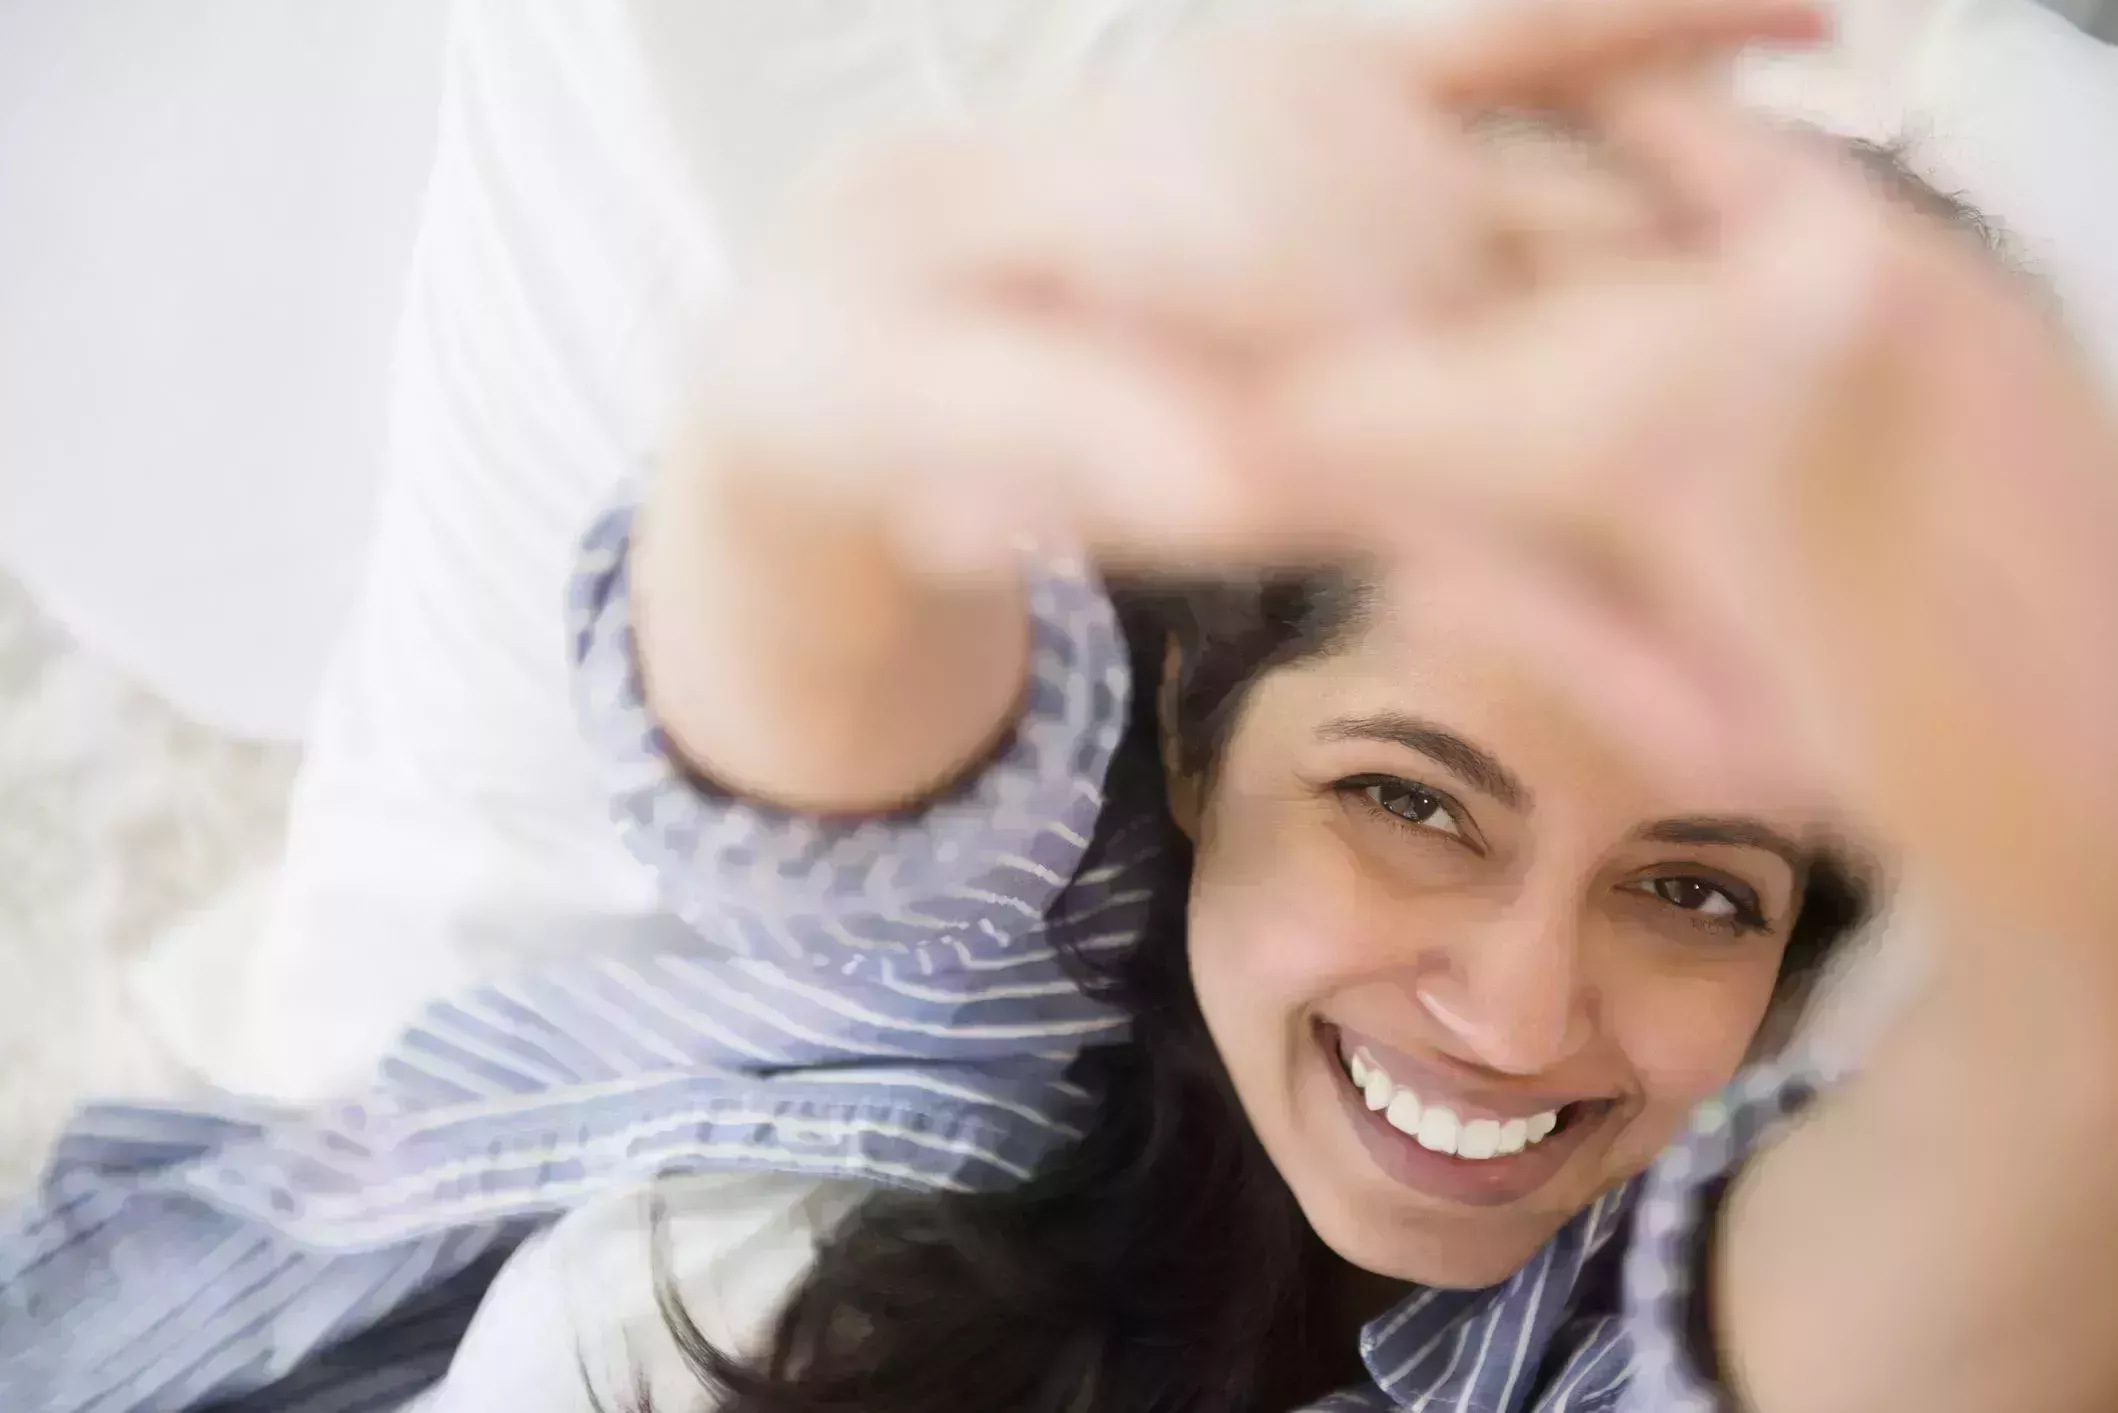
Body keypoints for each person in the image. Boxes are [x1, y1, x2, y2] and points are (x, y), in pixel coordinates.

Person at [7, 3, 2115, 1412]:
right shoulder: (1016, 980)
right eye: (1416, 800)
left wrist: (2058, 887)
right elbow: (818, 679)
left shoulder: (1656, 1294)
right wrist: (872, 343)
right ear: (1202, 736)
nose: (1518, 1004)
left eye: (1696, 892)